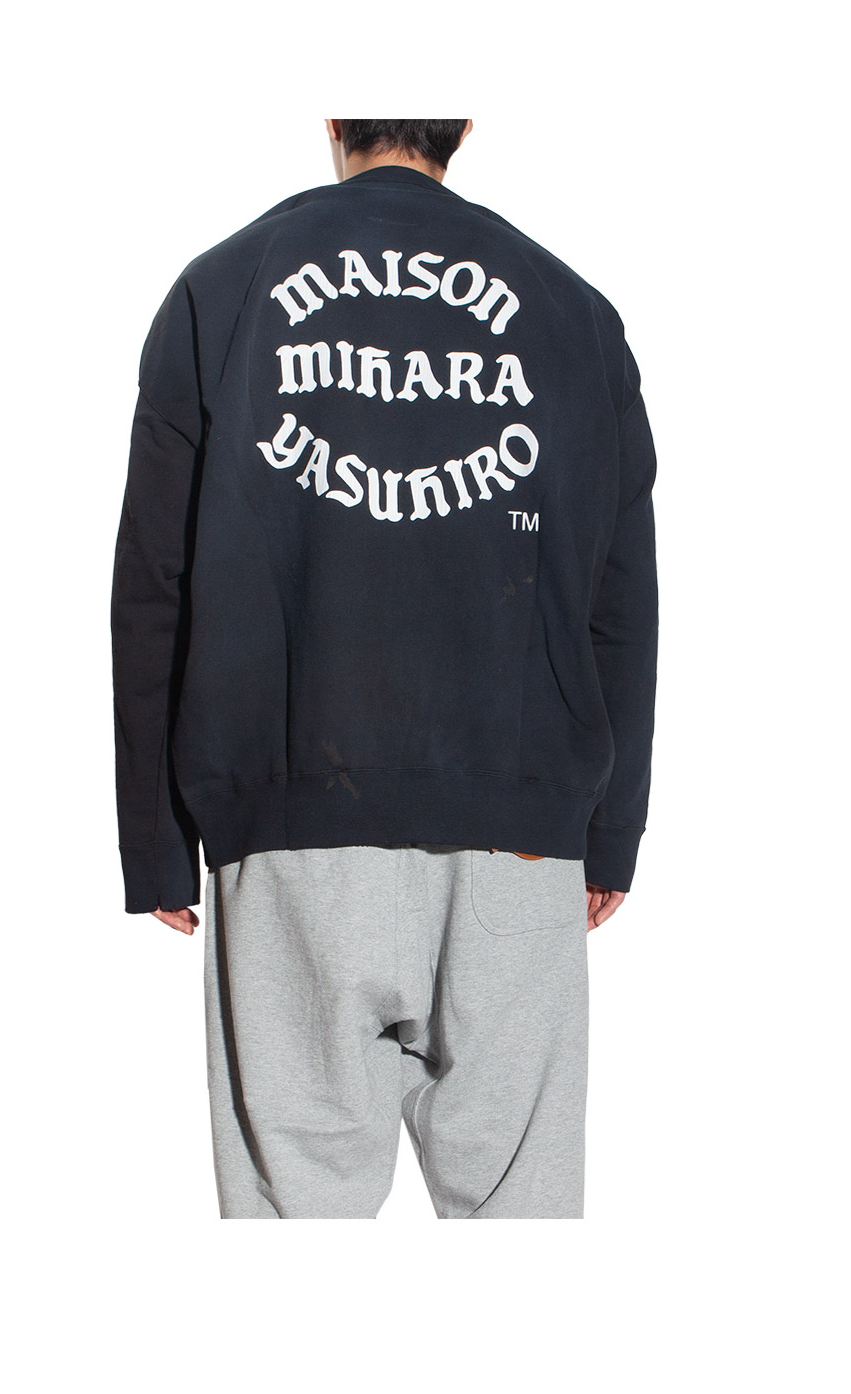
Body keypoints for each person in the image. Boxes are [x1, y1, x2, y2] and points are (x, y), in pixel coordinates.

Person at [112, 113, 658, 1224]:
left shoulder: (222, 290)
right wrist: (609, 828)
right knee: (522, 1229)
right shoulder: (572, 313)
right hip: (517, 842)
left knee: (293, 1232)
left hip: (292, 839)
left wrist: (155, 837)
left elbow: (153, 583)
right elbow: (621, 594)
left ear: (332, 120)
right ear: (461, 124)